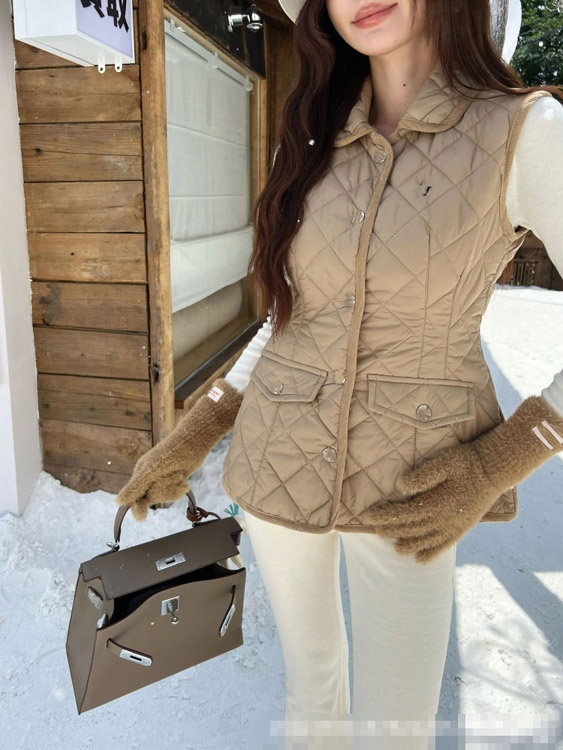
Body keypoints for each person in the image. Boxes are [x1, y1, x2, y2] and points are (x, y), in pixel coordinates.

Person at [117, 0, 563, 746]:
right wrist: (194, 433)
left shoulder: (524, 130)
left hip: (412, 485)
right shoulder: (313, 135)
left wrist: (500, 461)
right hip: (276, 464)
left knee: (396, 726)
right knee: (311, 693)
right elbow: (292, 318)